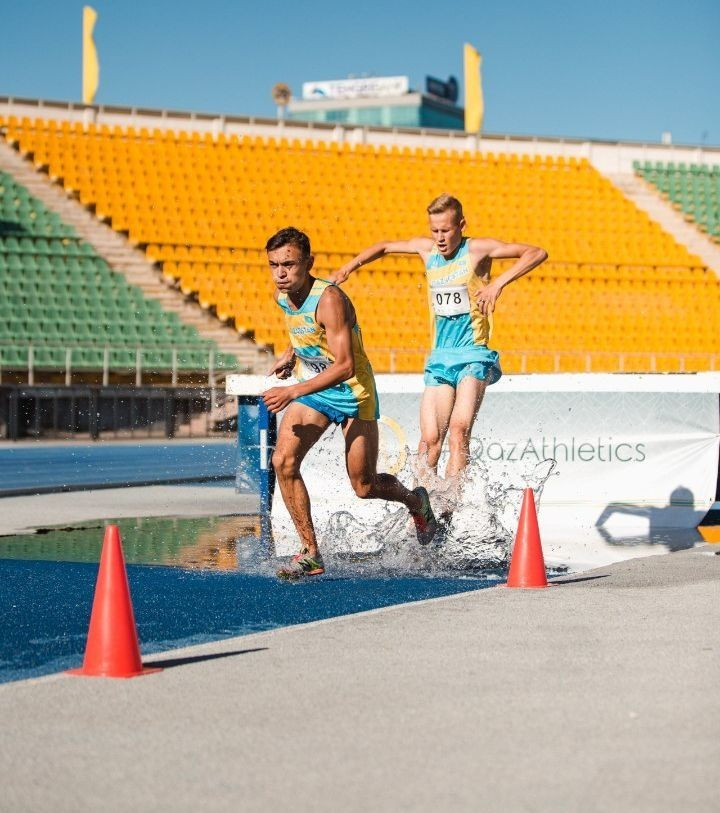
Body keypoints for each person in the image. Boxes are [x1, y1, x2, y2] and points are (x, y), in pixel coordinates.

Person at [331, 194, 548, 510]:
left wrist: (497, 283)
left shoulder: (477, 250)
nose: (440, 238)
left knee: (459, 431)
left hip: (473, 355)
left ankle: (448, 505)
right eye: (435, 231)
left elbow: (536, 252)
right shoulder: (426, 250)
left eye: (446, 230)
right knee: (429, 440)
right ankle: (422, 511)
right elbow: (385, 246)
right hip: (440, 359)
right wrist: (348, 268)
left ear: (461, 225)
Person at [262, 227, 438, 579]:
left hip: (352, 392)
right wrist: (289, 354)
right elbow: (306, 334)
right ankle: (310, 552)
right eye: (274, 265)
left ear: (309, 263)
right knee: (283, 460)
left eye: (289, 265)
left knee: (364, 486)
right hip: (316, 390)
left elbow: (344, 366)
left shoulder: (330, 299)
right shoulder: (284, 296)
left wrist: (293, 391)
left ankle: (416, 501)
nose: (280, 273)